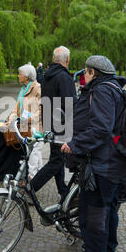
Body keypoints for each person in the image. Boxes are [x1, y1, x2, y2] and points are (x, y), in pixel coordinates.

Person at [61, 55, 126, 252]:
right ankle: (108, 250)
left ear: (93, 73)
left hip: (103, 164)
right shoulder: (113, 88)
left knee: (92, 215)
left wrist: (74, 144)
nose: (83, 78)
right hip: (113, 161)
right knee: (108, 209)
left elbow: (101, 129)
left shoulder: (101, 91)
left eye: (85, 73)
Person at [30, 46, 77, 200]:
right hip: (62, 124)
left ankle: (63, 191)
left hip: (51, 121)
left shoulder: (47, 76)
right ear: (67, 60)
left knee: (57, 157)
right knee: (57, 161)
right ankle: (30, 189)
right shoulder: (64, 77)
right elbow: (70, 103)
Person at [5, 64, 43, 179]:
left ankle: (32, 178)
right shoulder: (23, 90)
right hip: (25, 126)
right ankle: (41, 173)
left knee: (34, 151)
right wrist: (10, 119)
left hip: (35, 126)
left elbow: (42, 110)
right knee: (33, 150)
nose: (18, 76)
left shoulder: (37, 88)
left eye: (20, 74)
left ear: (26, 77)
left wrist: (28, 120)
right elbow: (17, 109)